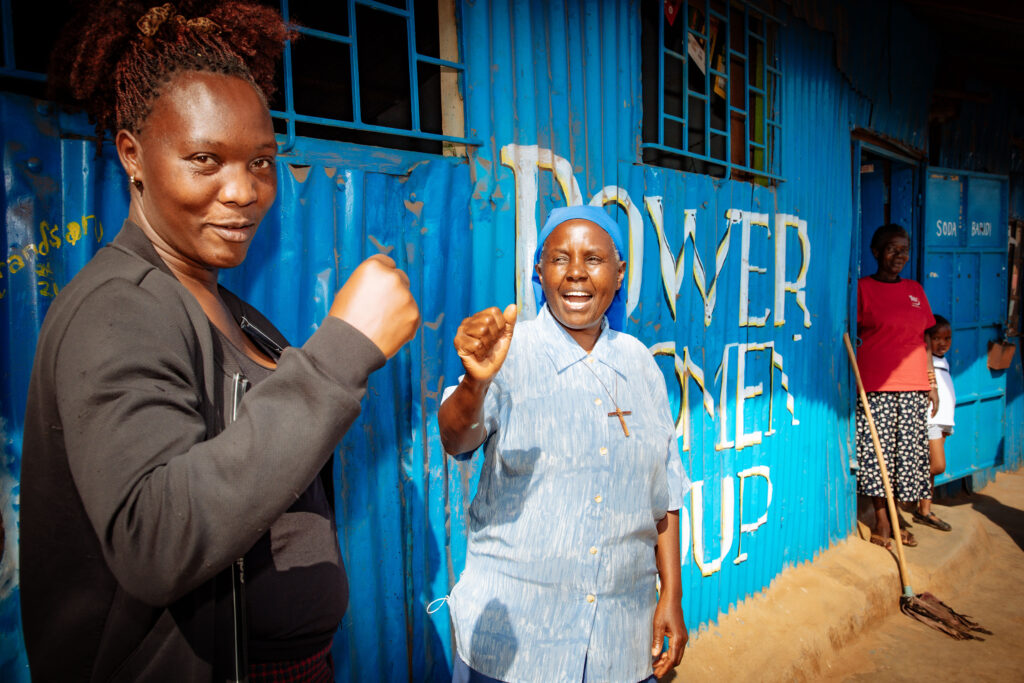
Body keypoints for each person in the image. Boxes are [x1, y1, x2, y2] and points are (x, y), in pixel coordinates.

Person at [19, 2, 420, 681]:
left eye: (261, 162)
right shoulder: (117, 308)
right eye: (206, 158)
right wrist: (339, 353)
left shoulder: (226, 305)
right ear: (132, 155)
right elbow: (154, 536)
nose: (243, 191)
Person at [437, 205, 691, 682]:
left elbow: (666, 495)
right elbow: (456, 438)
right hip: (514, 647)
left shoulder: (641, 365)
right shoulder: (510, 352)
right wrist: (475, 383)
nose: (576, 272)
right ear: (540, 271)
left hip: (620, 643)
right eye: (560, 259)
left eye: (593, 259)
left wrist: (671, 595)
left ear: (619, 275)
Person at [855, 223, 938, 550]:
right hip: (877, 387)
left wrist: (931, 382)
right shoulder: (862, 289)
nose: (899, 255)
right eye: (892, 248)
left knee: (907, 459)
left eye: (904, 249)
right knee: (878, 457)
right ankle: (883, 521)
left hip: (915, 386)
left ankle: (898, 515)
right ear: (876, 252)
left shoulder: (916, 290)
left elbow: (926, 339)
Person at [914, 315, 954, 531]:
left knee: (931, 468)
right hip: (933, 420)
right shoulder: (926, 360)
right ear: (927, 339)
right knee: (936, 466)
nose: (943, 343)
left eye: (947, 338)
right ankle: (911, 487)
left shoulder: (943, 360)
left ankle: (924, 510)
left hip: (944, 420)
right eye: (937, 338)